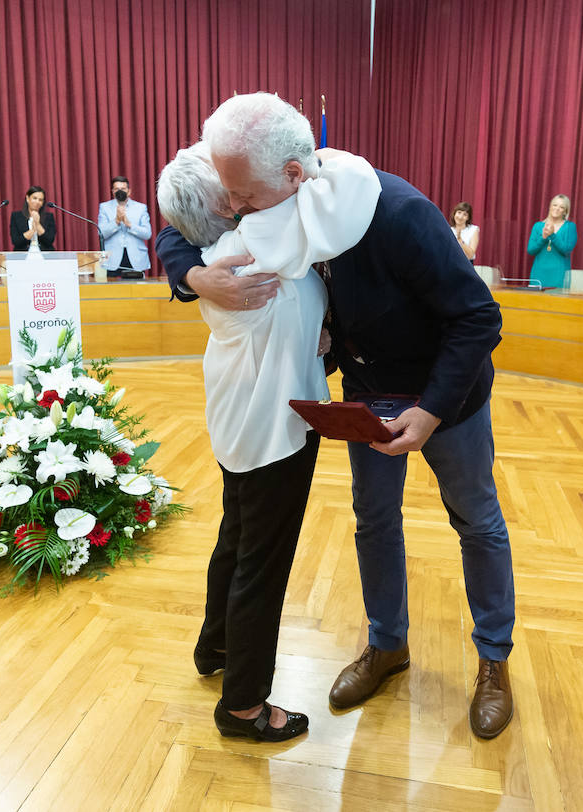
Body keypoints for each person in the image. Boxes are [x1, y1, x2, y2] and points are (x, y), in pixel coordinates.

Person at [158, 92, 516, 740]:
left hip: (449, 401)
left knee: (477, 523)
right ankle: (387, 645)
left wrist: (431, 411)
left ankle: (494, 662)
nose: (236, 211)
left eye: (245, 199)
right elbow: (184, 220)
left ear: (295, 176)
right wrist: (193, 276)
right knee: (374, 523)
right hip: (368, 393)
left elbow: (479, 317)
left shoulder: (399, 214)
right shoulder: (265, 191)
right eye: (232, 200)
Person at [158, 141, 380, 743]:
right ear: (225, 208)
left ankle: (216, 645)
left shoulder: (222, 252)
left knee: (236, 538)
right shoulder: (261, 245)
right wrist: (305, 154)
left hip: (237, 418)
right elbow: (355, 178)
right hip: (274, 432)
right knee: (264, 563)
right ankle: (244, 705)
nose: (240, 191)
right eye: (230, 187)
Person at [97, 176, 152, 276]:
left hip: (136, 258)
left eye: (123, 189)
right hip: (112, 259)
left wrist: (129, 224)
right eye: (117, 189)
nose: (120, 191)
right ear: (112, 191)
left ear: (129, 191)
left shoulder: (140, 208)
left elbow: (147, 233)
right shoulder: (104, 207)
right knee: (112, 291)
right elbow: (101, 234)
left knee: (137, 290)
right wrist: (116, 221)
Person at [527, 194, 576, 288]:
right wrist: (543, 238)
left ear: (565, 211)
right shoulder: (538, 226)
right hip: (538, 275)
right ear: (550, 206)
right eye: (555, 205)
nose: (557, 208)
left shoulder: (570, 227)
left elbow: (566, 250)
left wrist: (552, 235)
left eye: (561, 207)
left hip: (559, 276)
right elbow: (531, 250)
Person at [9, 185, 56, 252]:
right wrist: (33, 230)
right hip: (23, 256)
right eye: (34, 198)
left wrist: (37, 224)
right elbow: (16, 241)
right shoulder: (16, 216)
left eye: (40, 200)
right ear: (28, 198)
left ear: (42, 203)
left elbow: (49, 241)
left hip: (45, 255)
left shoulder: (49, 217)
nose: (37, 202)